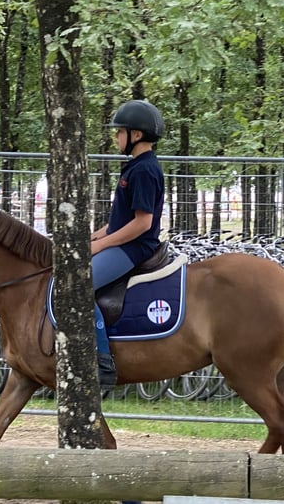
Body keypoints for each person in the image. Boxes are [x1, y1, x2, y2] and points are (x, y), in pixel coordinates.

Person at [90, 99, 165, 386]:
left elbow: (143, 223)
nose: (116, 137)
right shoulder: (135, 167)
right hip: (123, 242)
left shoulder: (144, 170)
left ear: (136, 135)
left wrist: (102, 245)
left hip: (133, 248)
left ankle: (102, 358)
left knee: (80, 284)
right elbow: (123, 217)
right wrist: (98, 233)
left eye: (119, 132)